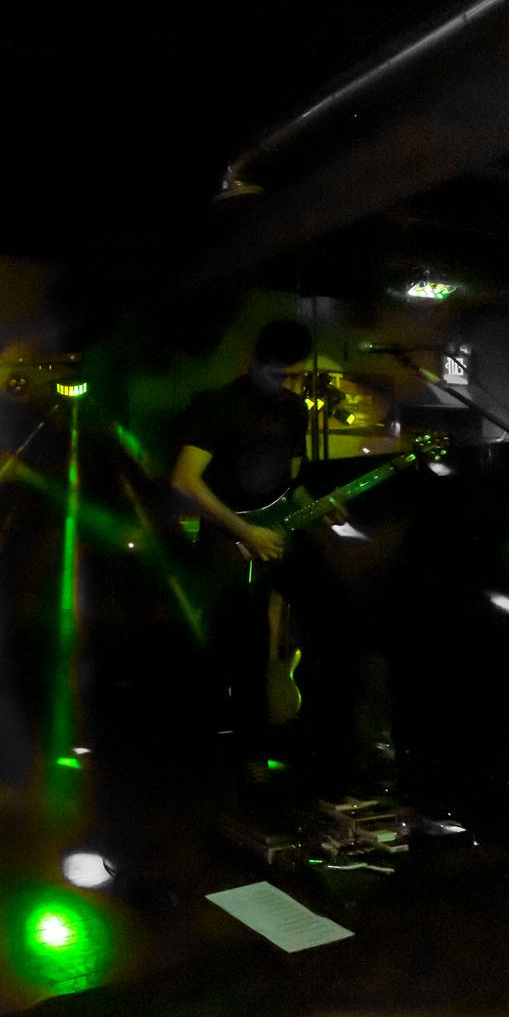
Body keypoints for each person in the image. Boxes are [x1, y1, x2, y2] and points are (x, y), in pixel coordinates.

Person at [169, 319, 340, 776]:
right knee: (246, 645)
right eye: (282, 376)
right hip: (228, 543)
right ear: (255, 364)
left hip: (278, 537)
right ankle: (250, 761)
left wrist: (319, 506)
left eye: (298, 377)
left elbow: (293, 486)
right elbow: (185, 481)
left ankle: (314, 738)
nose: (291, 386)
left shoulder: (295, 411)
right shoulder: (217, 405)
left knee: (332, 612)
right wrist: (245, 532)